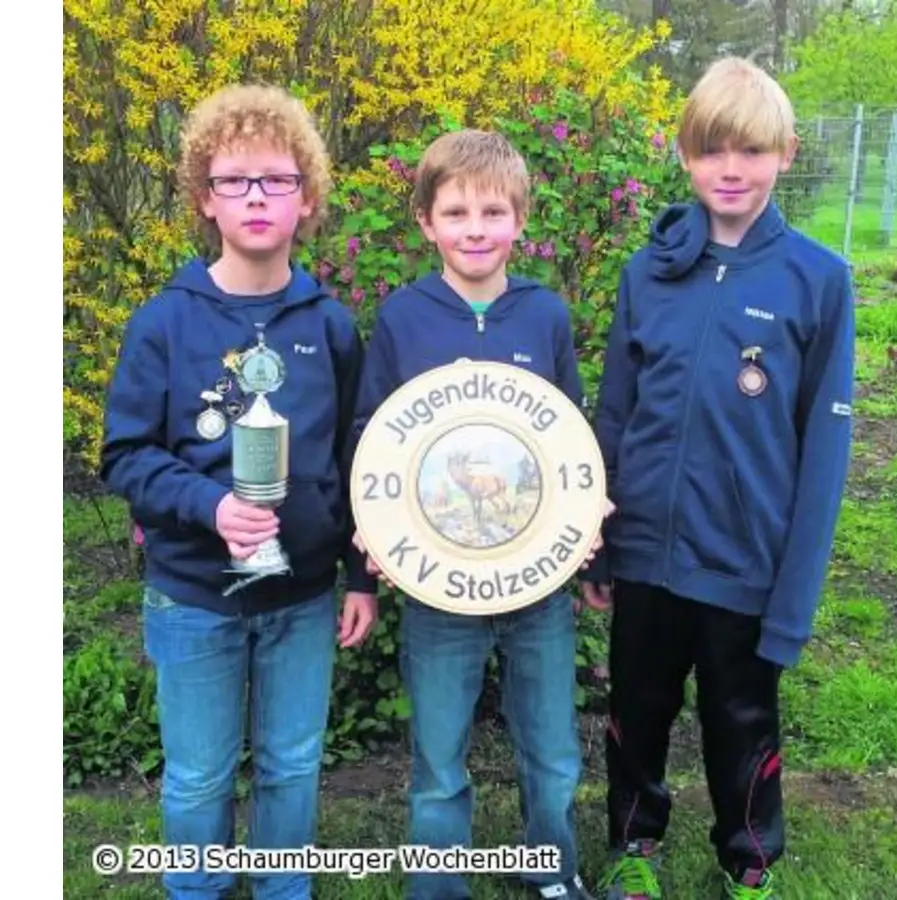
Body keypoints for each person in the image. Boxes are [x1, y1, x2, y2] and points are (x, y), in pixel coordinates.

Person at [580, 57, 856, 900]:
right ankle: (634, 844)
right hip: (646, 553)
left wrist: (794, 593)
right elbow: (616, 415)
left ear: (787, 152)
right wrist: (600, 547)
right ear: (684, 154)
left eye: (751, 151)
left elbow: (824, 454)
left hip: (746, 559)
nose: (730, 170)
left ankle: (750, 858)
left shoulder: (819, 280)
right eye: (710, 151)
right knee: (637, 710)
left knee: (741, 721)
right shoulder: (648, 273)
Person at [99, 83, 378, 900]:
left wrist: (358, 576)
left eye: (277, 179)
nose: (256, 196)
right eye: (234, 180)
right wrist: (209, 506)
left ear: (307, 197)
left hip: (302, 597)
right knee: (197, 776)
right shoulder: (164, 323)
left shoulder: (330, 326)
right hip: (194, 598)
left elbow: (357, 461)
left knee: (292, 764)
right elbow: (126, 454)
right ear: (204, 197)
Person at [351, 128, 603, 900]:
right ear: (426, 222)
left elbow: (569, 435)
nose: (475, 228)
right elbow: (370, 434)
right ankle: (437, 884)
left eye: (493, 212)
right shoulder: (403, 319)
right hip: (438, 589)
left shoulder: (544, 315)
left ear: (520, 220)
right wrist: (371, 526)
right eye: (456, 212)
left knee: (552, 752)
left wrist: (588, 511)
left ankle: (551, 869)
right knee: (437, 759)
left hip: (537, 587)